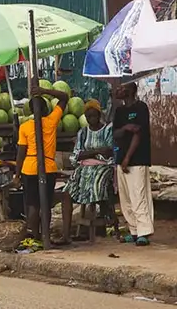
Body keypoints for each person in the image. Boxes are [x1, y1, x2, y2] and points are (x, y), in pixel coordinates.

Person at [13, 84, 70, 250]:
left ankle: (35, 236)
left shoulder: (25, 127)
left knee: (32, 204)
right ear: (45, 109)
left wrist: (17, 175)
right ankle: (43, 235)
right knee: (45, 204)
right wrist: (45, 91)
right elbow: (64, 97)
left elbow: (20, 153)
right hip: (48, 167)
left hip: (29, 168)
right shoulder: (51, 121)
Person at [59, 100, 115, 244]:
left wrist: (87, 153)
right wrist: (96, 151)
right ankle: (65, 235)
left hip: (103, 167)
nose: (92, 119)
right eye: (88, 116)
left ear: (99, 114)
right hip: (83, 168)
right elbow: (76, 155)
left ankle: (99, 225)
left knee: (95, 186)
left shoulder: (108, 130)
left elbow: (109, 152)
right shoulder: (83, 132)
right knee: (66, 192)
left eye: (94, 115)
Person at [112, 82, 154, 245]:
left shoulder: (141, 108)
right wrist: (127, 127)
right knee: (126, 197)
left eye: (122, 88)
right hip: (121, 159)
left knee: (139, 195)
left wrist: (128, 158)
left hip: (137, 159)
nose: (119, 90)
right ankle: (134, 231)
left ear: (131, 91)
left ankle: (144, 231)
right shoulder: (119, 111)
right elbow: (116, 133)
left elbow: (139, 134)